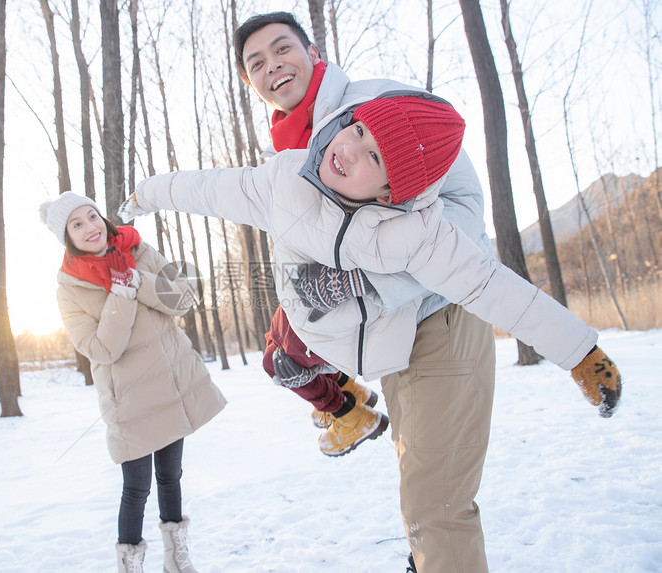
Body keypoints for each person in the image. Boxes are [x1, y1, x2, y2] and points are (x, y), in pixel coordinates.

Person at [119, 93, 622, 572]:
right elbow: (206, 188)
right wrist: (148, 192)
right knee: (282, 362)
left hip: (386, 338)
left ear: (389, 191)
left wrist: (579, 351)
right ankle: (346, 408)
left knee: (427, 483)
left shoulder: (420, 235)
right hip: (316, 325)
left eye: (373, 157)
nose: (348, 149)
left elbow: (494, 286)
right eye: (356, 130)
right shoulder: (284, 179)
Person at [232, 12, 496, 573]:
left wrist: (366, 282)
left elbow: (465, 209)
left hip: (441, 315)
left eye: (282, 49)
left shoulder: (376, 102)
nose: (272, 65)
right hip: (386, 335)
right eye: (256, 63)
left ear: (311, 50)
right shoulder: (288, 157)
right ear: (249, 82)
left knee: (436, 503)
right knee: (420, 488)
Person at [40, 191, 227, 573]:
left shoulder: (138, 250)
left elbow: (183, 300)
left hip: (171, 386)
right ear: (68, 239)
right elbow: (100, 349)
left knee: (171, 477)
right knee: (137, 488)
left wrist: (137, 279)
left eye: (91, 215)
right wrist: (121, 292)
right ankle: (131, 565)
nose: (90, 226)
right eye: (76, 224)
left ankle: (177, 559)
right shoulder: (69, 288)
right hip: (129, 401)